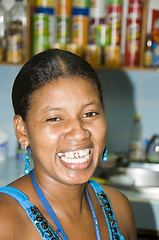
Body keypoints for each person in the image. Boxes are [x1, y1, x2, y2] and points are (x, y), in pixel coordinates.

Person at [0, 49, 136, 240]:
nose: (80, 132)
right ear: (22, 131)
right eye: (55, 118)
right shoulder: (6, 221)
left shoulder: (118, 208)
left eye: (90, 113)